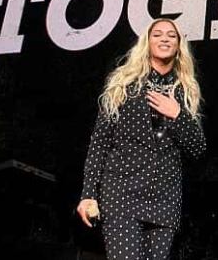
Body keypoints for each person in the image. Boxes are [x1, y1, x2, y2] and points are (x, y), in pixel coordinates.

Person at [76, 18, 205, 260]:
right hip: (122, 194)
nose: (164, 38)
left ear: (179, 46)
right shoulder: (124, 84)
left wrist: (178, 115)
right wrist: (88, 194)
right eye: (157, 34)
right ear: (147, 42)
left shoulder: (186, 91)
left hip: (165, 200)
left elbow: (198, 149)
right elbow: (99, 144)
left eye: (171, 35)